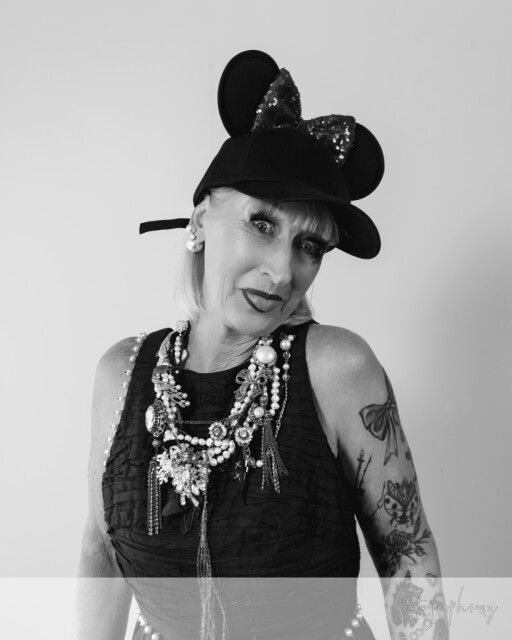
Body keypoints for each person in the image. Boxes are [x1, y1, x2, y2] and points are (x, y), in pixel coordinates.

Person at [76, 51, 448, 640]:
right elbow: (101, 548)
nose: (281, 271)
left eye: (309, 246)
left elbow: (408, 554)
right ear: (200, 221)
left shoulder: (335, 367)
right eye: (262, 224)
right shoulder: (121, 374)